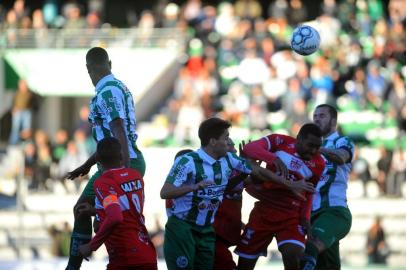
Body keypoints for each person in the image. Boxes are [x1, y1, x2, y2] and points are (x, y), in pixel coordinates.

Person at [160, 117, 314, 270]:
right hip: (183, 228)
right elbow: (165, 192)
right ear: (213, 141)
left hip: (206, 231)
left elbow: (258, 170)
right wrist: (194, 187)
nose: (228, 142)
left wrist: (290, 183)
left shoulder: (228, 159)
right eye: (226, 138)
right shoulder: (188, 162)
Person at [65, 47, 145, 270]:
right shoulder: (118, 87)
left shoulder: (107, 92)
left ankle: (73, 267)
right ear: (110, 63)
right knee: (110, 218)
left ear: (88, 69)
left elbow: (118, 128)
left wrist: (124, 170)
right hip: (118, 162)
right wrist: (88, 165)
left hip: (121, 164)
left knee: (91, 211)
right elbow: (110, 139)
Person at [235, 123, 325, 270]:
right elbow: (249, 148)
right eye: (310, 145)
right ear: (299, 138)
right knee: (244, 264)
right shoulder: (280, 141)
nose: (314, 151)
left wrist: (305, 218)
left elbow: (309, 191)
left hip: (290, 214)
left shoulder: (319, 163)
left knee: (293, 254)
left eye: (317, 147)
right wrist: (273, 159)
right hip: (264, 210)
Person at [79, 137, 157, 270]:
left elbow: (115, 216)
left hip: (125, 257)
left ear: (98, 159)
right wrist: (95, 211)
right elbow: (126, 210)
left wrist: (91, 246)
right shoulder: (136, 175)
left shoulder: (104, 183)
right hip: (147, 253)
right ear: (121, 156)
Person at [300, 104, 355, 270]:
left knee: (309, 248)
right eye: (315, 116)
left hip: (334, 212)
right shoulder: (309, 148)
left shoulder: (342, 141)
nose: (317, 119)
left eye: (322, 116)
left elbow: (341, 157)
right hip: (312, 214)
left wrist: (318, 149)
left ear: (334, 120)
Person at [213, 139, 249, 270]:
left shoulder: (238, 169)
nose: (235, 150)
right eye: (230, 146)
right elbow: (222, 188)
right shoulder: (214, 168)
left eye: (234, 147)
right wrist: (243, 174)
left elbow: (255, 183)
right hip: (215, 232)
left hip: (229, 227)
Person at [8, 79, 37, 145]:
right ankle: (13, 143)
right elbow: (13, 101)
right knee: (15, 128)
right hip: (18, 111)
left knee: (26, 129)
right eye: (21, 84)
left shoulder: (30, 93)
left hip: (26, 111)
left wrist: (31, 108)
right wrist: (13, 109)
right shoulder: (16, 92)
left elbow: (34, 102)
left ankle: (26, 143)